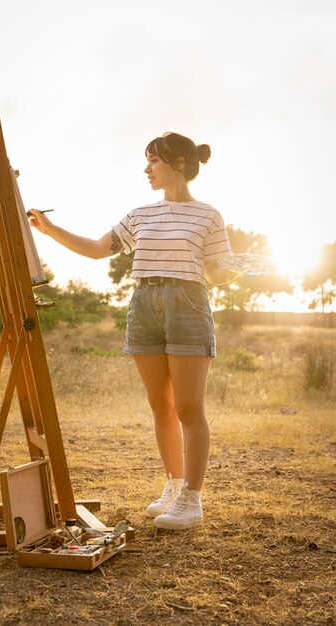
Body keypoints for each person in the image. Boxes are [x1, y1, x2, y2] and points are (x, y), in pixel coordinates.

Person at [28, 132, 235, 531]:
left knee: (190, 410)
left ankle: (192, 499)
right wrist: (50, 229)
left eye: (153, 160)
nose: (146, 168)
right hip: (143, 304)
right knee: (162, 407)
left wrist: (233, 268)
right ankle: (174, 486)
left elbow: (217, 275)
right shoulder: (139, 214)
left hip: (188, 305)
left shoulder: (209, 215)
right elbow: (96, 249)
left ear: (177, 164)